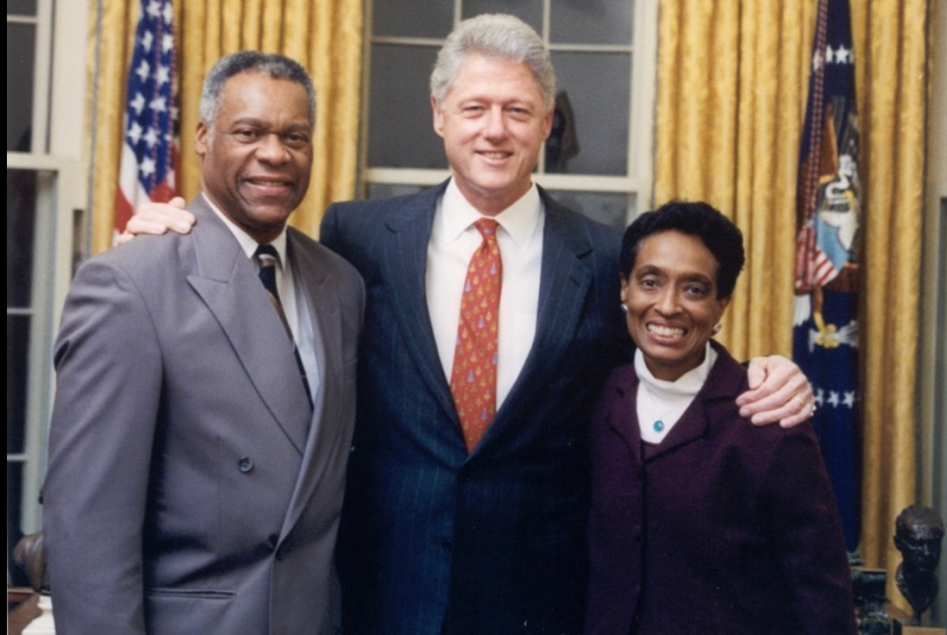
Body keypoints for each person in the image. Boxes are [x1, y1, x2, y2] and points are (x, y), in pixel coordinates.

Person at [126, 15, 814, 635]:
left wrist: (760, 371)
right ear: (439, 115)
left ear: (547, 122)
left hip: (540, 603)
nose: (495, 129)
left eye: (518, 110)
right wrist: (174, 229)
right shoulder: (355, 237)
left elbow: (664, 343)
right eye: (475, 107)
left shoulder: (604, 257)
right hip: (383, 594)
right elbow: (254, 296)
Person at [42, 51, 365, 635]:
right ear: (202, 137)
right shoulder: (131, 283)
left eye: (295, 136)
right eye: (249, 132)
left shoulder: (339, 284)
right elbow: (87, 531)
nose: (274, 153)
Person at [586, 201, 856, 634]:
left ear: (722, 304)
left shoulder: (767, 417)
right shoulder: (597, 398)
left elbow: (820, 595)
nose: (668, 306)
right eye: (650, 282)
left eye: (694, 289)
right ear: (625, 289)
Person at [894, 504, 945, 617]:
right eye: (917, 544)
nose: (927, 553)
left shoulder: (945, 593)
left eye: (933, 544)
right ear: (898, 543)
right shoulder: (890, 591)